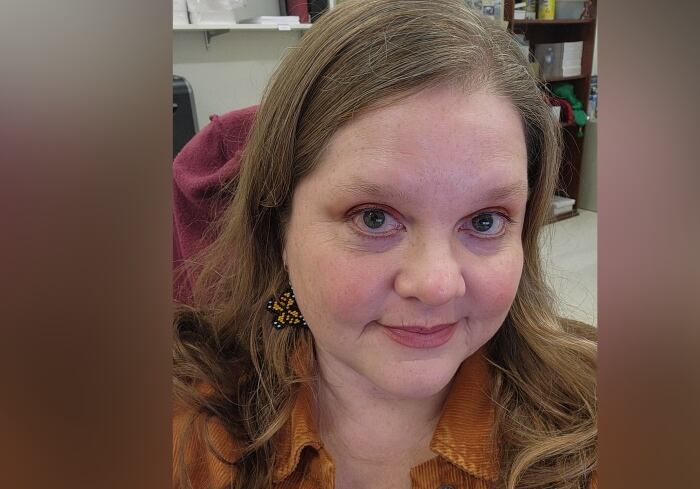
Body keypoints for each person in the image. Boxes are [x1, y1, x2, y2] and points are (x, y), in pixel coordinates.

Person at [172, 1, 597, 488]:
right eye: (374, 218)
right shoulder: (188, 431)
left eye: (485, 221)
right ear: (278, 227)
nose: (437, 285)